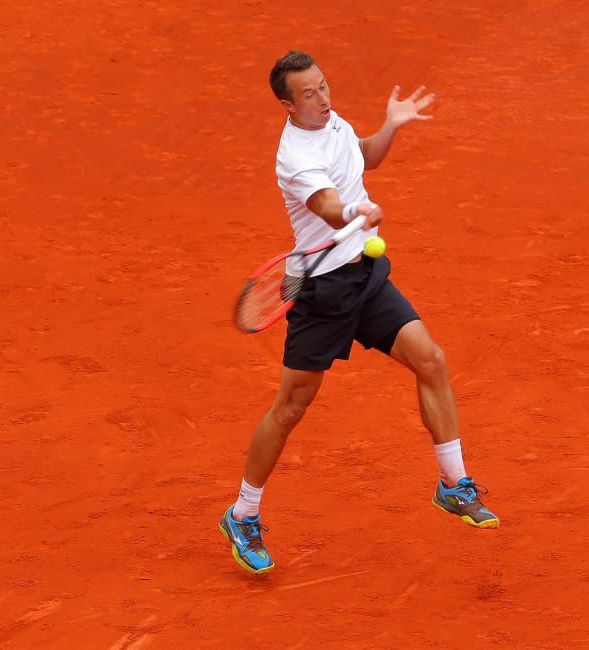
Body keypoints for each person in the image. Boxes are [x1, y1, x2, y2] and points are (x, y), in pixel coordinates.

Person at [219, 50, 498, 575]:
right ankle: (243, 512)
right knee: (290, 409)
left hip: (364, 276)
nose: (323, 99)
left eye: (324, 86)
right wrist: (355, 212)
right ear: (286, 104)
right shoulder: (294, 154)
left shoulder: (331, 120)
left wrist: (390, 126)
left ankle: (453, 485)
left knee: (430, 360)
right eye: (309, 94)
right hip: (321, 290)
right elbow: (327, 204)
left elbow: (365, 157)